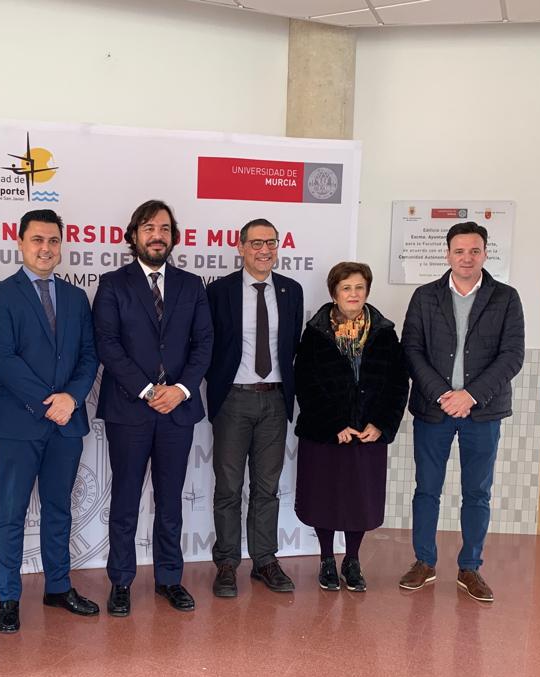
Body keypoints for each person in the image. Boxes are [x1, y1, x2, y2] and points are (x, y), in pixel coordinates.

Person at [0, 209, 100, 633]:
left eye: (53, 240)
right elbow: (3, 358)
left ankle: (58, 587)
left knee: (59, 510)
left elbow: (89, 355)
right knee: (11, 512)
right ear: (20, 243)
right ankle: (8, 597)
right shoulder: (0, 294)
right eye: (37, 240)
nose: (45, 248)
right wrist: (48, 403)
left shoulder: (75, 298)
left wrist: (72, 398)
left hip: (67, 422)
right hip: (18, 423)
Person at [92, 200, 213, 615]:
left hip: (177, 410)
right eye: (148, 228)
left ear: (173, 237)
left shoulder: (192, 285)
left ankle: (169, 579)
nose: (157, 236)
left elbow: (204, 344)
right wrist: (147, 390)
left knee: (170, 501)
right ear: (134, 236)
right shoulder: (113, 284)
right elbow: (107, 344)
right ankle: (121, 581)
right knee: (126, 499)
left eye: (163, 228)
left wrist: (180, 389)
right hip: (129, 410)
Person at [399, 221, 524, 603]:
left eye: (474, 250)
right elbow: (411, 351)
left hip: (482, 412)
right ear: (447, 254)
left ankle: (470, 567)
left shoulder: (506, 298)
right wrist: (443, 395)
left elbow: (512, 355)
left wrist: (470, 395)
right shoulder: (425, 296)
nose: (466, 258)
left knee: (477, 492)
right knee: (427, 490)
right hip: (433, 410)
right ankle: (424, 562)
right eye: (459, 251)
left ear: (485, 253)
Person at [293, 262, 409, 591]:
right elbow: (305, 383)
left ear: (367, 292)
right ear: (334, 293)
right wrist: (334, 424)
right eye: (346, 288)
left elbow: (398, 384)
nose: (353, 294)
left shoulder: (385, 333)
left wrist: (381, 424)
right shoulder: (315, 333)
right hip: (325, 434)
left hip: (367, 435)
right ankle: (327, 560)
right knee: (324, 497)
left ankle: (352, 560)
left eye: (359, 287)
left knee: (360, 500)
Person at [205, 218, 303, 598]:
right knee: (229, 487)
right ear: (241, 246)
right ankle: (227, 563)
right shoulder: (220, 291)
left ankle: (265, 560)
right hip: (233, 399)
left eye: (271, 242)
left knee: (267, 487)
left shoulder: (291, 291)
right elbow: (208, 345)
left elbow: (291, 347)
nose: (265, 250)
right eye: (257, 243)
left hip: (275, 400)